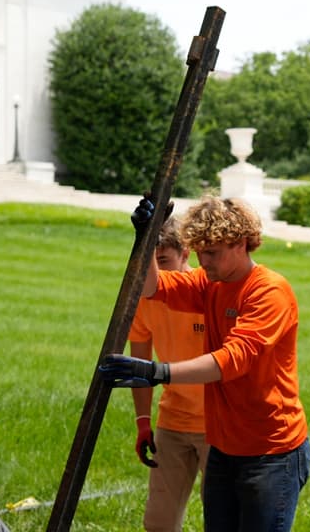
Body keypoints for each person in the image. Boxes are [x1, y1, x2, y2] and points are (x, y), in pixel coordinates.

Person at [100, 195, 310, 532]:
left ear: (242, 244)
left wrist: (157, 372)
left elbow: (232, 360)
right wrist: (146, 237)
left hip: (272, 452)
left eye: (212, 252)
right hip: (224, 448)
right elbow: (152, 286)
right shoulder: (209, 284)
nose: (203, 261)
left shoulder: (268, 291)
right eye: (199, 252)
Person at [127, 219, 209, 532]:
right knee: (158, 522)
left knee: (221, 518)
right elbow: (140, 365)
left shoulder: (208, 290)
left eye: (163, 262)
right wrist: (142, 422)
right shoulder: (145, 300)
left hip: (217, 423)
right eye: (151, 263)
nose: (155, 274)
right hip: (173, 421)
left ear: (185, 252)